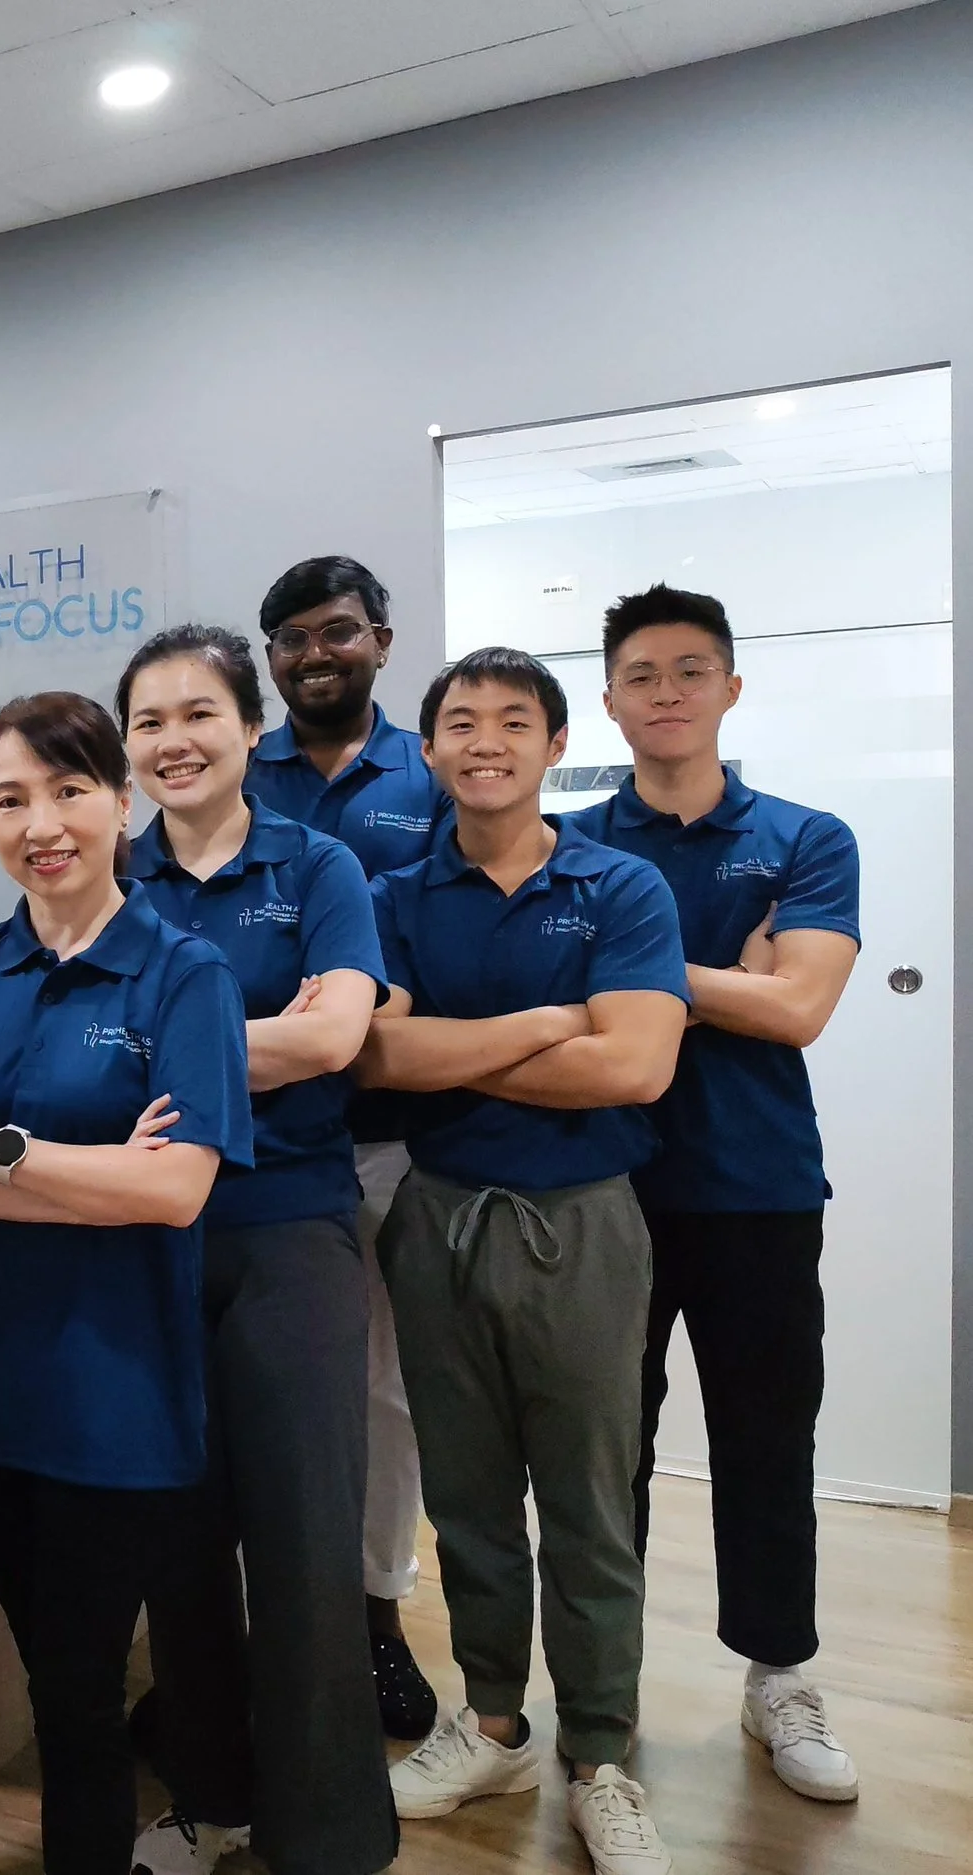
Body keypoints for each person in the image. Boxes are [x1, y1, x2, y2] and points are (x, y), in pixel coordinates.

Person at [0, 692, 257, 1875]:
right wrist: (88, 1169)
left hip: (116, 1402)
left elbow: (176, 1190)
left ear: (122, 802)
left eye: (69, 789)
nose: (41, 822)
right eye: (8, 799)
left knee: (80, 1688)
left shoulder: (183, 975)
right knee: (51, 1674)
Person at [357, 647, 687, 1875]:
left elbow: (635, 1066)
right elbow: (369, 1062)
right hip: (436, 1219)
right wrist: (550, 1023)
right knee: (468, 1500)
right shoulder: (393, 894)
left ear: (555, 746)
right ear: (429, 750)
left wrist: (452, 1048)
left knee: (593, 1509)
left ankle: (601, 1753)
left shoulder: (622, 887)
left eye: (512, 721)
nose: (483, 739)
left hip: (585, 1222)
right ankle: (492, 1720)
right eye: (458, 722)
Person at [570, 585, 863, 1803]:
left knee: (763, 1440)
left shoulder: (805, 837)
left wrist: (640, 975)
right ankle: (601, 1685)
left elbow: (799, 1005)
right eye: (642, 675)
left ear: (730, 689)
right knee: (602, 1456)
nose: (667, 695)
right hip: (603, 1190)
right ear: (610, 700)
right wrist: (718, 979)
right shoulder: (571, 844)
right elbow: (548, 1003)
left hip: (757, 1190)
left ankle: (779, 1675)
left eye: (691, 672)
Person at [116, 629, 397, 1875]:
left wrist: (165, 1041)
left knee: (301, 1545)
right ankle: (211, 1798)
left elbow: (334, 1035)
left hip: (289, 1230)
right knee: (176, 1546)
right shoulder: (111, 875)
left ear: (246, 729)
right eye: (146, 722)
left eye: (197, 714)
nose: (172, 740)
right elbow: (78, 1035)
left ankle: (325, 1833)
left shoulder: (318, 864)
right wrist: (250, 1033)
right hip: (151, 1237)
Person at [246, 555, 449, 1738]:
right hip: (256, 1143)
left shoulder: (428, 777)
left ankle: (375, 1623)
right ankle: (241, 1626)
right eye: (289, 641)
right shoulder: (232, 771)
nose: (312, 656)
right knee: (254, 1398)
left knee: (384, 1397)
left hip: (392, 1140)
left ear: (379, 638)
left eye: (335, 634)